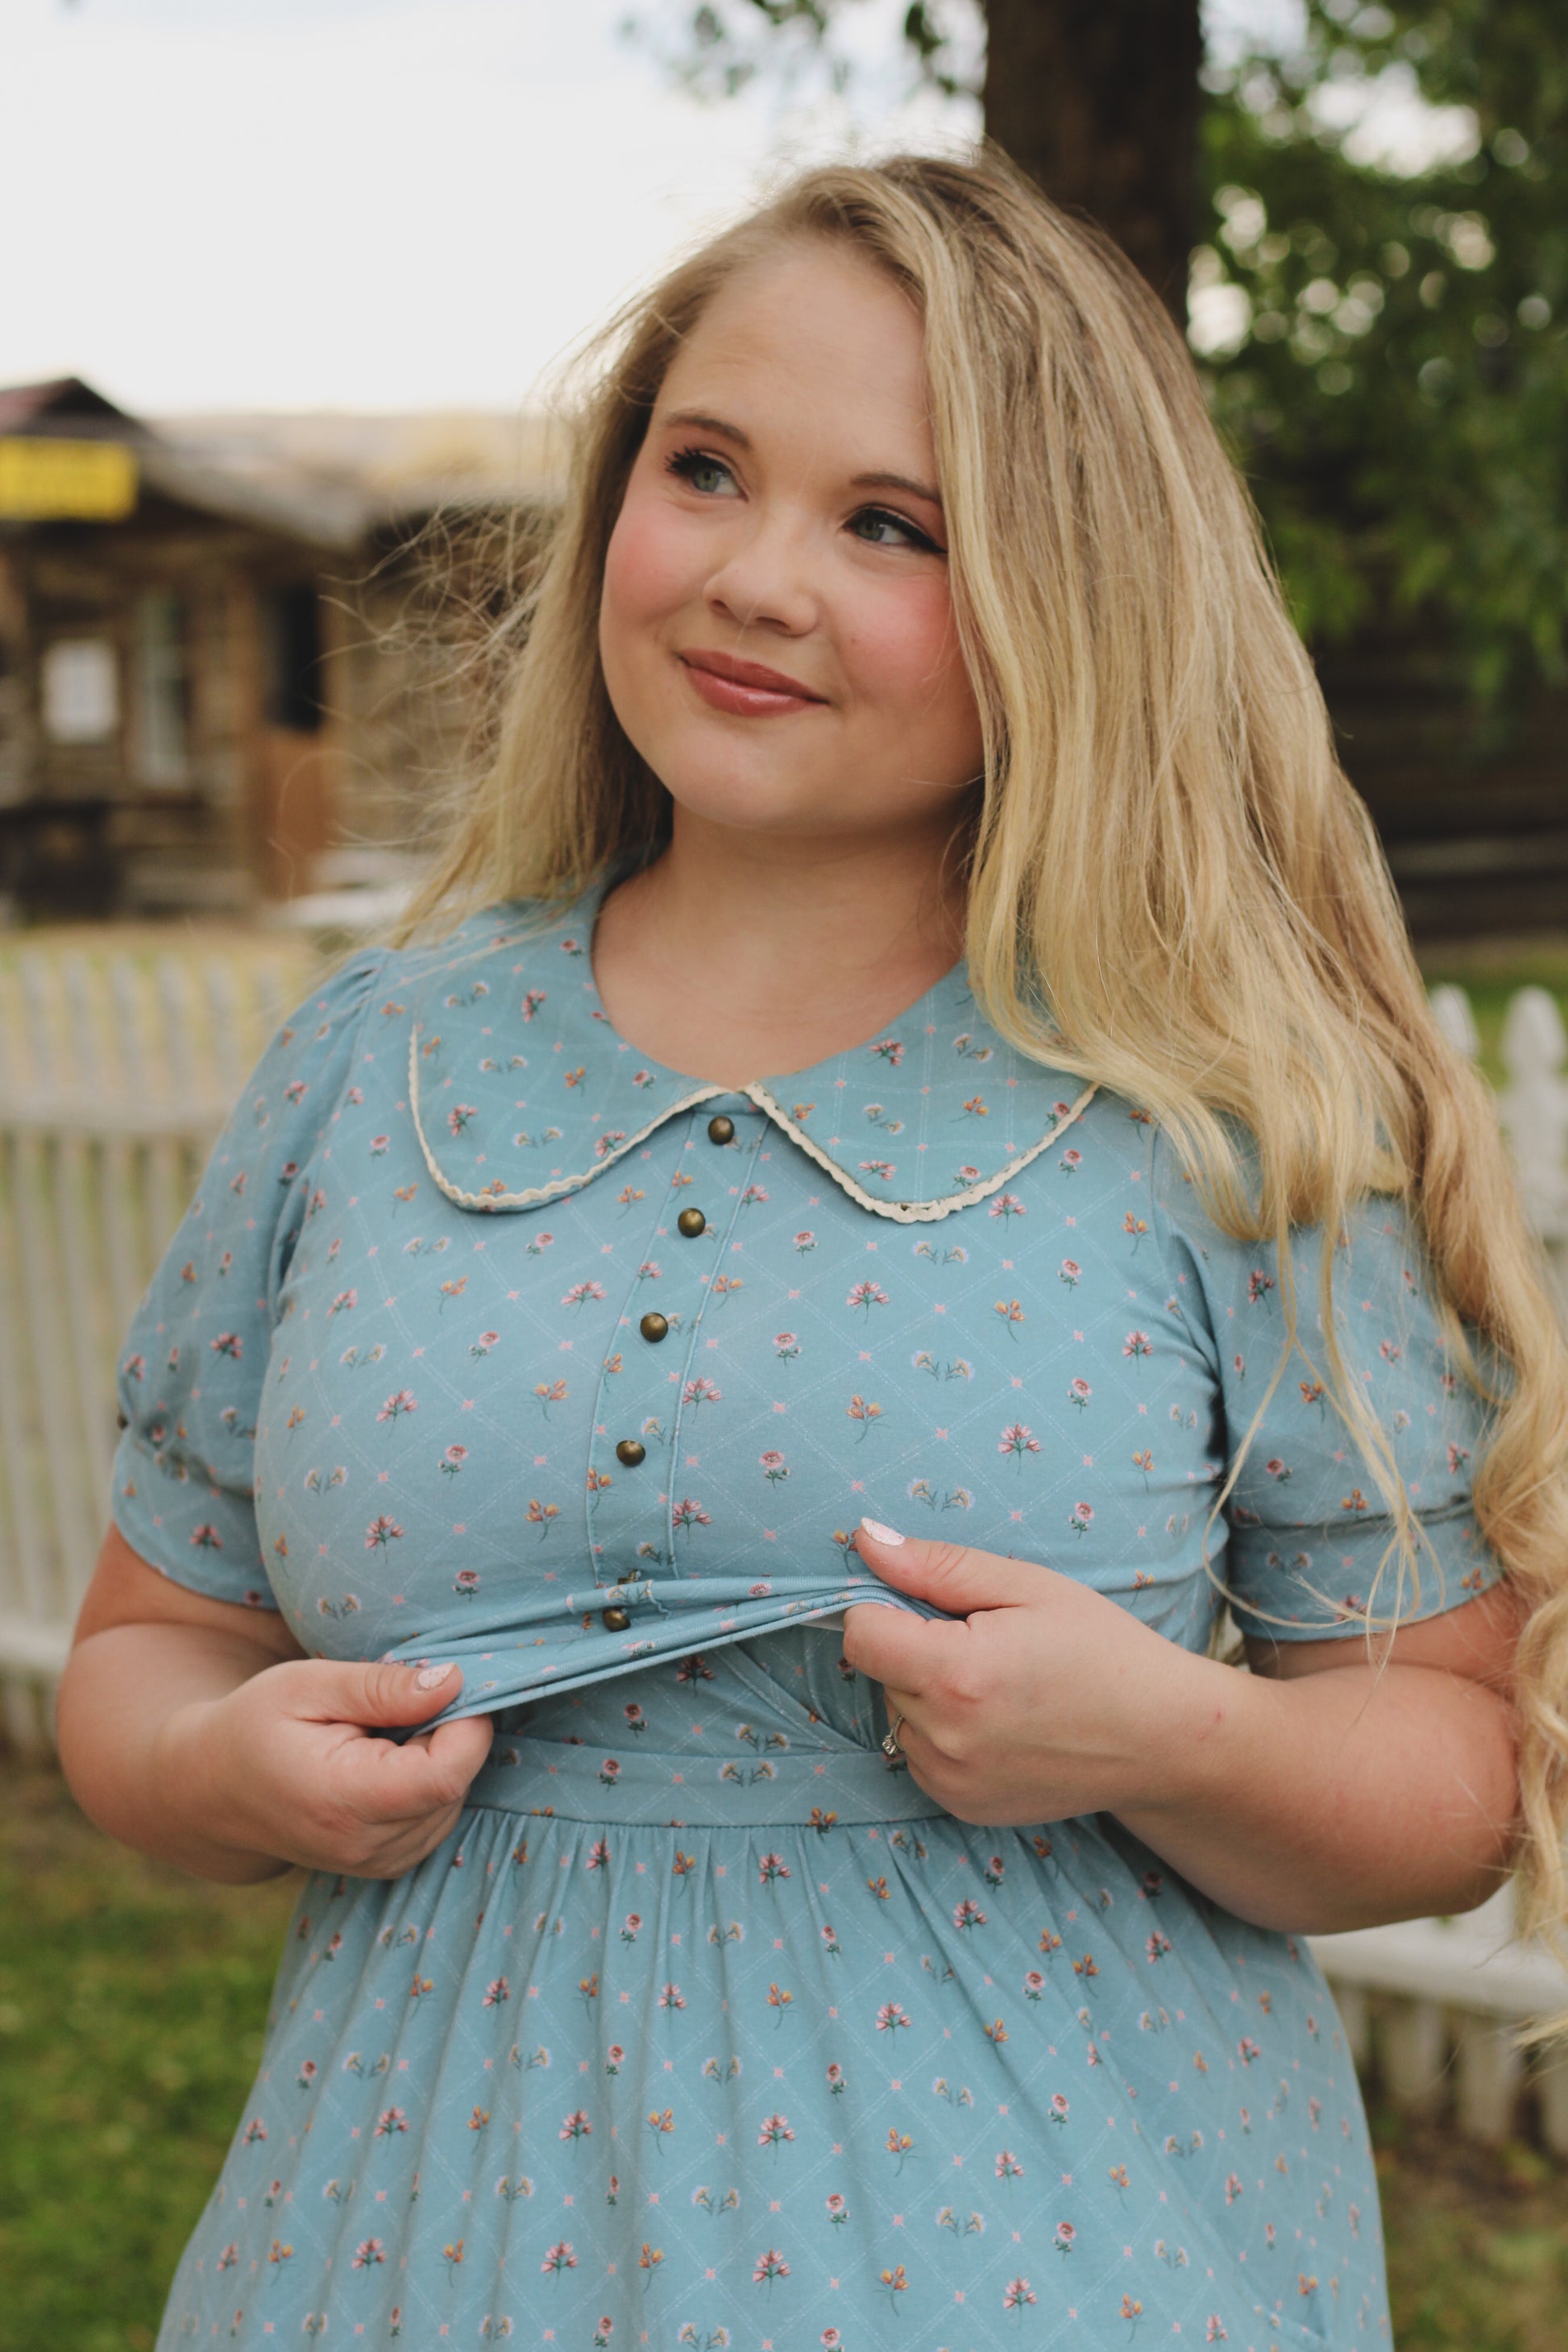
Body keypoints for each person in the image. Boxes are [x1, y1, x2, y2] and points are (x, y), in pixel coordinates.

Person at [58, 151, 1564, 2350]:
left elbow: (1445, 1766)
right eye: (704, 470)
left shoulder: (1224, 1111)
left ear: (1071, 595)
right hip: (404, 2264)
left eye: (891, 525)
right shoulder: (372, 1065)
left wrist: (1171, 1740)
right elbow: (143, 1652)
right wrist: (214, 1771)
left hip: (1065, 2273)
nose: (756, 578)